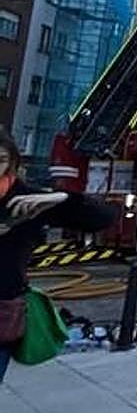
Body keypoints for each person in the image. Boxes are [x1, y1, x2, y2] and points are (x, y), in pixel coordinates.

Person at [0, 133, 115, 383]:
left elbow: (103, 219)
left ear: (12, 163)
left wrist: (62, 198)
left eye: (1, 160)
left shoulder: (27, 200)